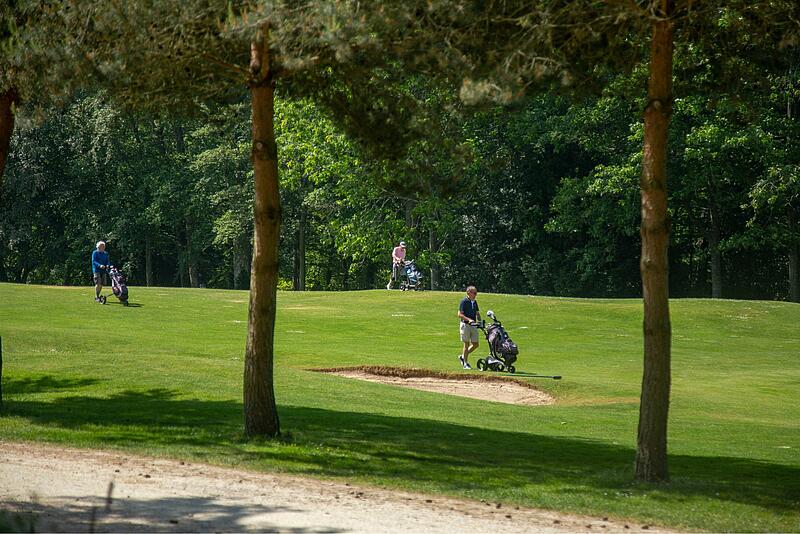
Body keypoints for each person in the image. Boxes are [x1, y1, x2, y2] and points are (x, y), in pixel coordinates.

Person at [457, 285, 481, 369]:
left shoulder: (474, 302)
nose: (475, 294)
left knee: (475, 344)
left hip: (473, 326)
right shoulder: (464, 301)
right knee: (466, 344)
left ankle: (463, 356)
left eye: (476, 293)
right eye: (474, 293)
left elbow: (477, 313)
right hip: (465, 325)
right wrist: (469, 319)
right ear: (468, 293)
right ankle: (465, 363)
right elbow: (459, 314)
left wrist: (480, 321)